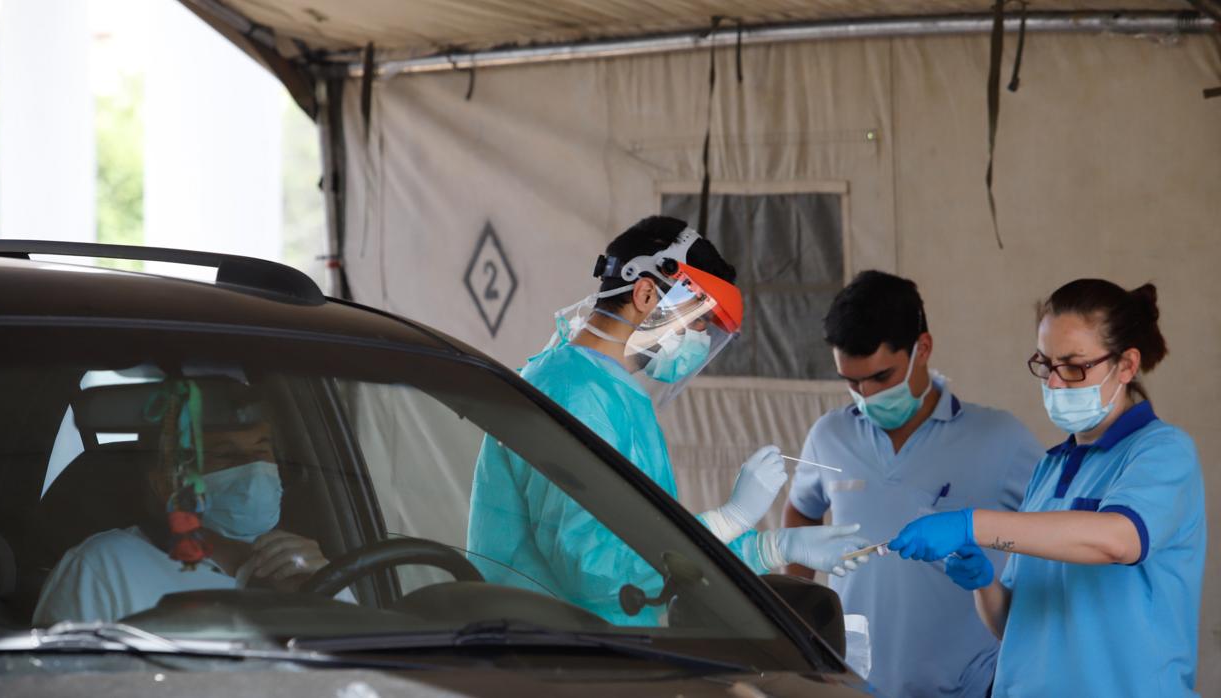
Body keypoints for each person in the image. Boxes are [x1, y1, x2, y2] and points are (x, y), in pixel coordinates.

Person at [467, 216, 871, 624]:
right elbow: (592, 571)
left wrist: (771, 548)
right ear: (645, 293)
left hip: (601, 654)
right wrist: (726, 521)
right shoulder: (573, 394)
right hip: (547, 662)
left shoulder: (613, 394)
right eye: (697, 319)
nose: (698, 336)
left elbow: (652, 559)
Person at [890, 279, 1205, 697]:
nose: (1054, 384)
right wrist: (984, 584)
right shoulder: (1049, 468)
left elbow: (1119, 540)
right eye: (1046, 364)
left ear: (1126, 366)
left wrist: (973, 525)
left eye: (1073, 367)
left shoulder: (1163, 452)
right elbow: (1014, 627)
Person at [782, 270, 1041, 697]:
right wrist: (797, 606)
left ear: (922, 348)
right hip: (852, 683)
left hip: (968, 686)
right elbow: (802, 509)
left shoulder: (999, 439)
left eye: (881, 378)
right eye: (852, 382)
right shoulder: (829, 436)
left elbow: (1055, 530)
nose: (866, 395)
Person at [34, 390, 344, 625]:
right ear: (168, 484)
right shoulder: (103, 568)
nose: (254, 470)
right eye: (226, 456)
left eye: (262, 451)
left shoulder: (303, 565)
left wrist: (323, 586)